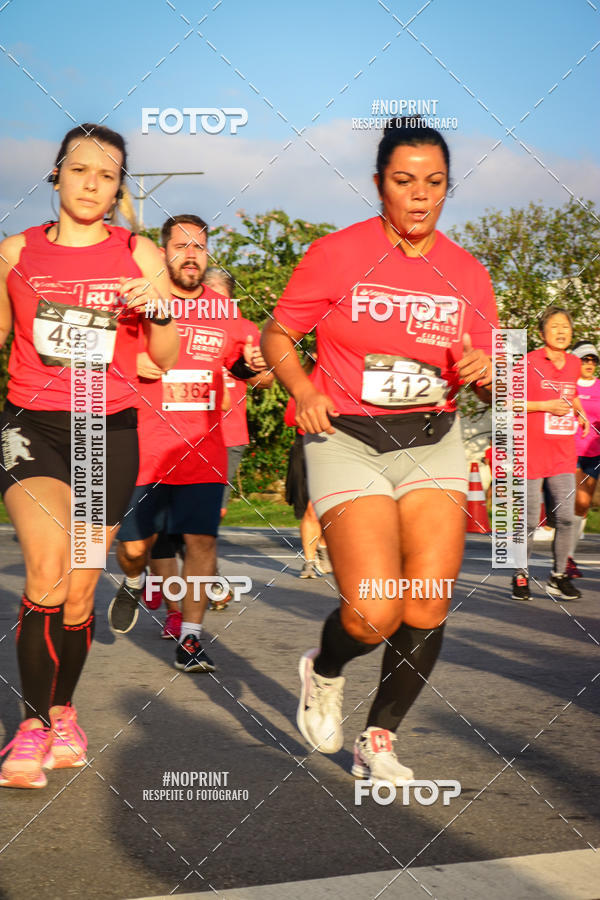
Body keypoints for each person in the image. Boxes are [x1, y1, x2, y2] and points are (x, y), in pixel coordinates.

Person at [261, 117, 497, 784]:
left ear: (448, 188)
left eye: (434, 183)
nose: (419, 196)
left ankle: (380, 738)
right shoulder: (338, 254)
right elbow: (278, 333)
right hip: (348, 440)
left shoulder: (468, 274)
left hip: (433, 440)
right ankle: (326, 670)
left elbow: (492, 369)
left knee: (424, 601)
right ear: (378, 185)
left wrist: (486, 369)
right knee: (371, 610)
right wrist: (303, 388)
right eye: (404, 181)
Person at [0, 124, 179, 789]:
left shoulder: (141, 253)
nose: (91, 185)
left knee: (78, 591)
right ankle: (30, 729)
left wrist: (156, 308)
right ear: (56, 175)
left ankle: (63, 710)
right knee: (46, 568)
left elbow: (163, 358)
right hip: (33, 427)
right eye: (80, 171)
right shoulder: (14, 252)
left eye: (106, 176)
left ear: (117, 188)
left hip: (108, 429)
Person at [109, 214, 267, 673]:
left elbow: (252, 371)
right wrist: (136, 360)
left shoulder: (226, 312)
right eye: (181, 246)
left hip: (204, 449)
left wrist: (251, 364)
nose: (191, 254)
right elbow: (101, 361)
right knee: (136, 549)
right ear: (163, 254)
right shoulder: (140, 305)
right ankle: (135, 580)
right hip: (143, 448)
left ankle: (191, 639)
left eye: (198, 246)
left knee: (201, 543)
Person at [512, 307, 589, 602]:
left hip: (562, 454)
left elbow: (573, 396)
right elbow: (508, 401)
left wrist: (580, 414)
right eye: (555, 326)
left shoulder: (572, 363)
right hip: (530, 453)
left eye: (566, 327)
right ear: (543, 333)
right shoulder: (528, 362)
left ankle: (558, 577)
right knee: (529, 521)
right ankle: (520, 575)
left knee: (567, 518)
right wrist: (544, 407)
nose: (561, 331)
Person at [284, 393, 332, 578]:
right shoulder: (303, 382)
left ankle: (323, 545)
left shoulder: (345, 378)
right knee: (311, 509)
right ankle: (309, 561)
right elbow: (290, 418)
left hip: (339, 448)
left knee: (330, 507)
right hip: (307, 445)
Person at [567, 340, 600, 577]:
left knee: (582, 506)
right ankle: (566, 558)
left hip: (594, 451)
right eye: (585, 359)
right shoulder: (568, 387)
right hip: (569, 450)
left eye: (593, 360)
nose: (589, 363)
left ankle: (568, 554)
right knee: (574, 500)